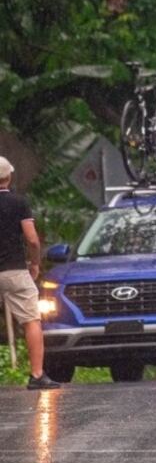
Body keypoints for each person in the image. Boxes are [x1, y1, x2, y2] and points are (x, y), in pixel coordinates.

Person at [0, 156, 60, 389]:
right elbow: (32, 240)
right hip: (15, 270)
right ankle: (36, 374)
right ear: (9, 176)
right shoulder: (19, 202)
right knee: (31, 320)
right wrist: (35, 263)